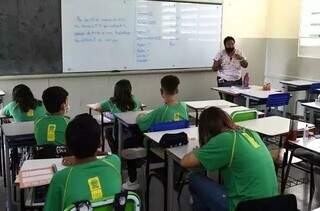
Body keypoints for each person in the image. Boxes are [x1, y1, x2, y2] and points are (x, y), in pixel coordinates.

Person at [181, 107, 278, 211]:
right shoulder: (250, 133)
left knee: (194, 178)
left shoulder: (225, 139)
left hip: (245, 207)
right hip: (273, 204)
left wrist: (200, 150)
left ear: (207, 130)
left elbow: (185, 162)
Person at [122, 75, 189, 191]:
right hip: (179, 145)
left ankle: (132, 180)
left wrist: (140, 116)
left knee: (129, 141)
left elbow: (142, 124)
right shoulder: (184, 107)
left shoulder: (161, 110)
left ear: (161, 91)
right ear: (177, 90)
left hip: (158, 147)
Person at [44, 114, 121, 211]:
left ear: (67, 145)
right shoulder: (114, 162)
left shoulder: (60, 179)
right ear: (100, 142)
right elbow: (108, 154)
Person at [213, 36, 248, 101]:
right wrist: (218, 64)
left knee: (237, 99)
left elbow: (245, 65)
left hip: (237, 80)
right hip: (224, 79)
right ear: (225, 45)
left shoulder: (239, 52)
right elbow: (214, 69)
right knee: (226, 100)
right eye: (228, 44)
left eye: (232, 44)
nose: (231, 46)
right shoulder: (220, 54)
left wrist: (241, 58)